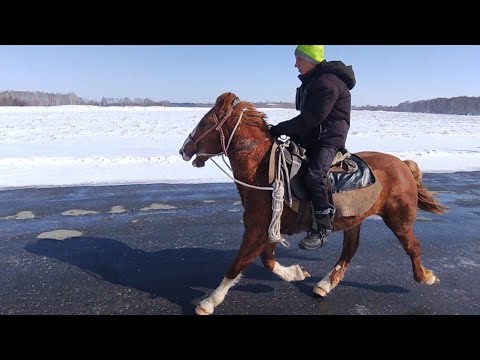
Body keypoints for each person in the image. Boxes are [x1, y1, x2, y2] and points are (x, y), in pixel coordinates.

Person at [269, 45, 356, 251]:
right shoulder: (313, 81)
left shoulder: (327, 83)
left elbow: (312, 118)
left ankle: (322, 228)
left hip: (329, 138)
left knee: (314, 175)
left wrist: (281, 128)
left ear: (310, 59)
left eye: (299, 59)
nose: (295, 64)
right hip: (314, 134)